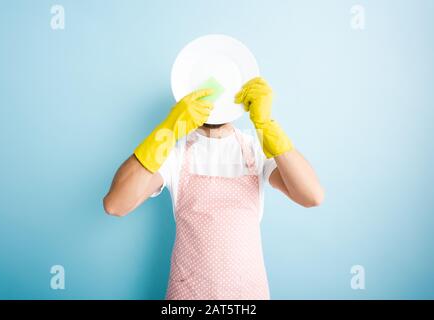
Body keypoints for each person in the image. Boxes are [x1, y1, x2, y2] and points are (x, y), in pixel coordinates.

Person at [103, 77, 324, 300]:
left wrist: (267, 126)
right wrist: (168, 129)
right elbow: (116, 205)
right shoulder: (173, 152)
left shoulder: (256, 149)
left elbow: (311, 196)